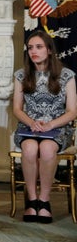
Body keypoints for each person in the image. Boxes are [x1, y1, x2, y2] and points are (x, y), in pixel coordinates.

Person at [12, 30, 77, 224]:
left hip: (58, 128)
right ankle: (32, 201)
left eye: (39, 47)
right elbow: (17, 108)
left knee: (47, 149)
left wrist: (50, 124)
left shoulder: (67, 75)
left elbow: (73, 111)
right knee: (30, 149)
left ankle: (44, 200)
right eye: (30, 47)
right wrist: (32, 122)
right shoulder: (21, 75)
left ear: (49, 50)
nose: (34, 51)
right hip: (29, 127)